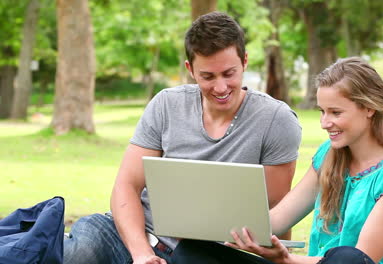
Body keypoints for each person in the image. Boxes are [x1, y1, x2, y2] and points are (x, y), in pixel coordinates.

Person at [63, 11, 302, 264]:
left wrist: (281, 259)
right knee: (78, 255)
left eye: (229, 74)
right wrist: (142, 254)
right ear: (190, 69)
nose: (220, 88)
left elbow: (276, 214)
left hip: (205, 254)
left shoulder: (276, 120)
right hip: (133, 237)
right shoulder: (167, 104)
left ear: (244, 61)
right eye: (208, 76)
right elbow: (126, 186)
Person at [170, 57, 383, 264]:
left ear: (369, 107)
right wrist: (208, 219)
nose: (325, 123)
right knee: (193, 251)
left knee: (345, 257)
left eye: (335, 112)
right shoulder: (329, 155)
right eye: (322, 111)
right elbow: (276, 219)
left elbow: (362, 257)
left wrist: (286, 259)